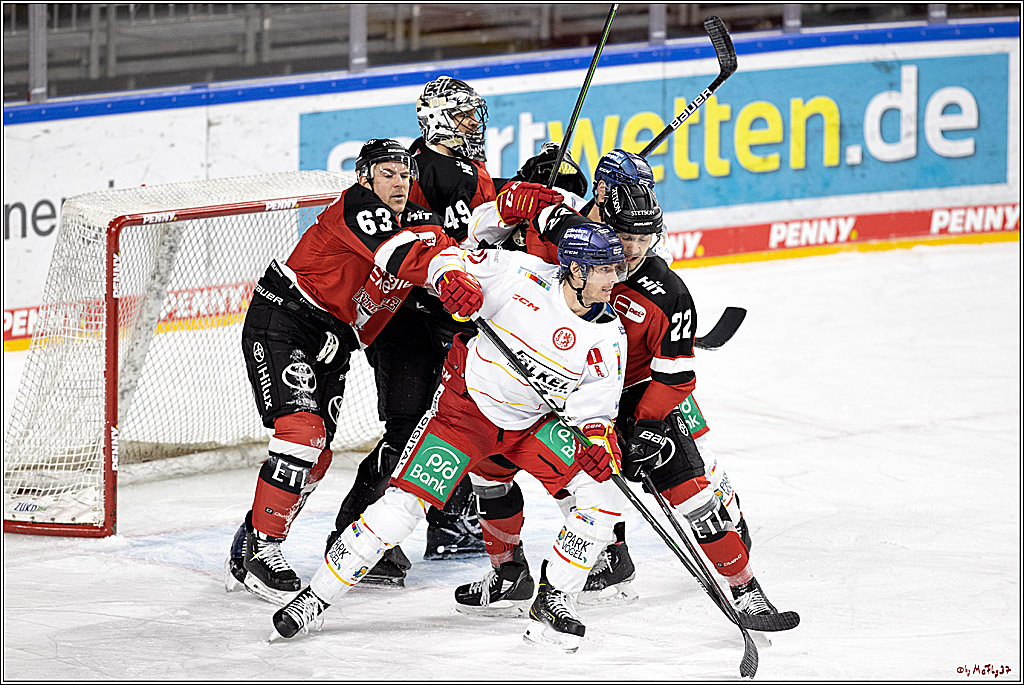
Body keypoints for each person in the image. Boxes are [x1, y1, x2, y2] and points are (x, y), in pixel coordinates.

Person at [270, 221, 635, 654]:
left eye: (617, 269)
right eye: (606, 270)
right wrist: (451, 278)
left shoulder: (610, 336)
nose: (616, 280)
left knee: (603, 497)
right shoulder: (520, 274)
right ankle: (314, 598)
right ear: (575, 269)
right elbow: (449, 255)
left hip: (534, 423)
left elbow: (594, 411)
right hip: (464, 414)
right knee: (400, 510)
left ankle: (554, 597)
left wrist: (597, 442)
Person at [455, 180, 785, 620]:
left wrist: (647, 425)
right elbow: (484, 243)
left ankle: (745, 588)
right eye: (625, 237)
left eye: (644, 239)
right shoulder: (575, 246)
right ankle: (563, 565)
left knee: (691, 490)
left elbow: (676, 379)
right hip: (567, 396)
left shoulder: (669, 294)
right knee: (541, 480)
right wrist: (511, 208)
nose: (632, 250)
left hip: (635, 400)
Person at [224, 138, 457, 604]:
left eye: (404, 173)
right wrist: (449, 274)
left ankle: (254, 533)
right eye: (386, 173)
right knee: (301, 433)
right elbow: (403, 258)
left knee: (320, 455)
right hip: (285, 318)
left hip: (331, 336)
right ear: (364, 177)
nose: (398, 181)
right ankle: (264, 549)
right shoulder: (361, 207)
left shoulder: (412, 222)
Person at [325, 76, 500, 574]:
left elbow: (479, 225)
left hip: (441, 316)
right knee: (409, 428)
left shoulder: (463, 165)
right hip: (405, 317)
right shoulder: (423, 168)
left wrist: (529, 186)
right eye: (464, 115)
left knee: (457, 417)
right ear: (439, 118)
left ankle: (449, 522)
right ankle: (350, 531)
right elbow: (437, 241)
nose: (474, 124)